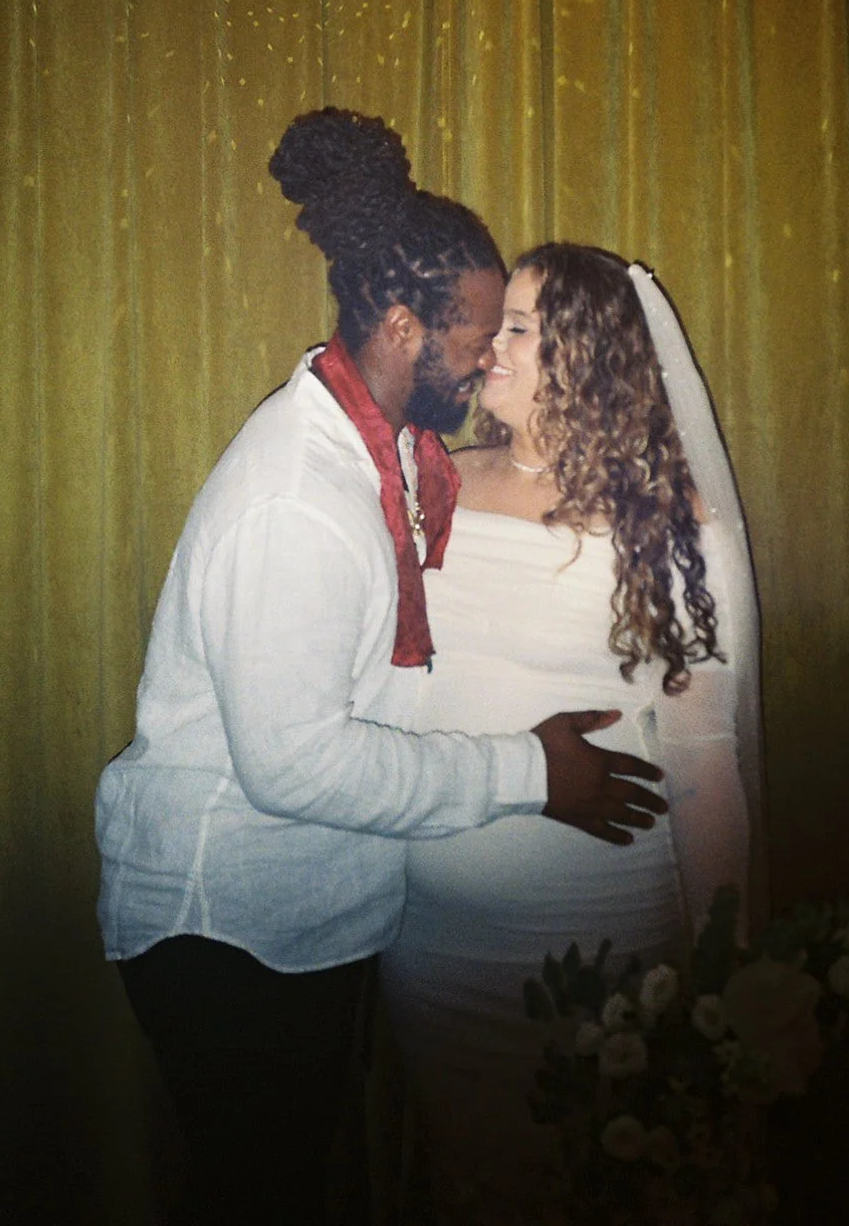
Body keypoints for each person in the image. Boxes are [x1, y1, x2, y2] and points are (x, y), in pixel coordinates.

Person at [94, 118, 668, 1225]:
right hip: (229, 928)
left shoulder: (389, 446)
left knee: (316, 1177)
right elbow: (296, 767)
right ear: (405, 325)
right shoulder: (296, 503)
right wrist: (531, 773)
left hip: (307, 916)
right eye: (482, 330)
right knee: (265, 1192)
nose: (493, 356)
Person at [379, 243, 765, 1223]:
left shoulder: (669, 527)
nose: (488, 343)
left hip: (600, 949)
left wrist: (723, 975)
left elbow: (702, 769)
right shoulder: (432, 485)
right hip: (431, 954)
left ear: (589, 354)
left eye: (518, 325)